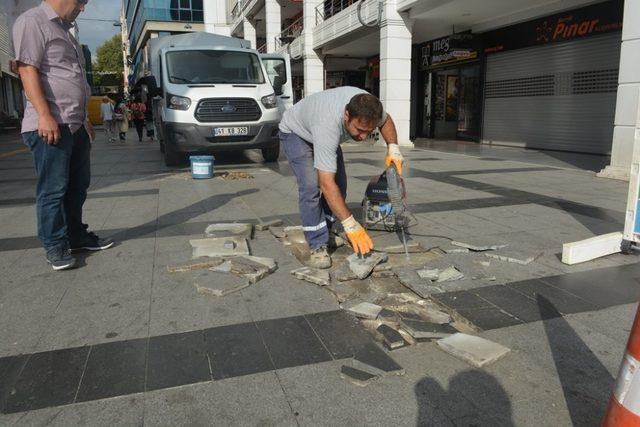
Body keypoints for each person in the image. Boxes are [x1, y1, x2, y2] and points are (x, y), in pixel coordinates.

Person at [13, 0, 114, 271]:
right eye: (81, 2)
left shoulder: (66, 31)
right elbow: (26, 69)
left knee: (78, 186)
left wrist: (84, 119)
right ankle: (55, 246)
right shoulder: (32, 22)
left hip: (75, 124)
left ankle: (76, 235)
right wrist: (45, 115)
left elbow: (74, 78)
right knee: (53, 190)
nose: (83, 8)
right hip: (51, 125)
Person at [279, 86, 404, 269]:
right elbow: (326, 183)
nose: (363, 136)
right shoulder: (327, 125)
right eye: (360, 130)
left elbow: (386, 120)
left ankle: (326, 231)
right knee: (311, 186)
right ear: (346, 115)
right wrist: (350, 224)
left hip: (322, 130)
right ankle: (317, 244)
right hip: (295, 132)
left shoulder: (371, 106)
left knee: (340, 184)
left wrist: (393, 148)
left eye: (369, 132)